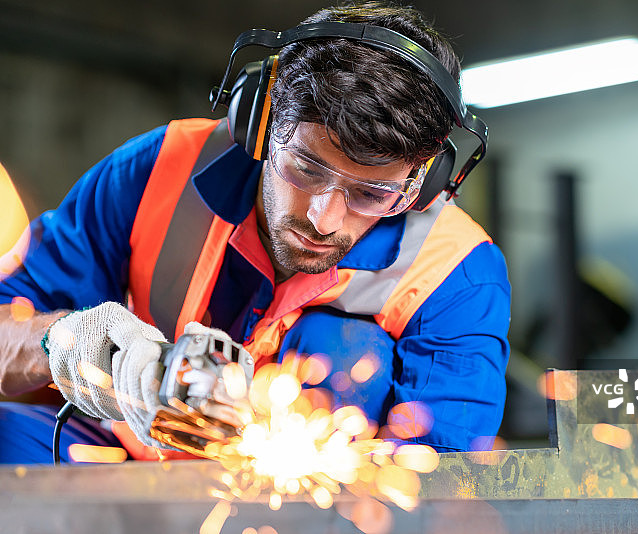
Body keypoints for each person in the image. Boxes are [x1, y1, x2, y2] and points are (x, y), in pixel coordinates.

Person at [0, 1, 511, 464]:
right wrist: (65, 342)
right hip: (128, 458)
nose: (323, 219)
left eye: (372, 194)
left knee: (349, 356)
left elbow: (444, 480)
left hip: (318, 504)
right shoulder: (157, 171)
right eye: (307, 168)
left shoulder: (457, 270)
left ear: (424, 183)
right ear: (260, 123)